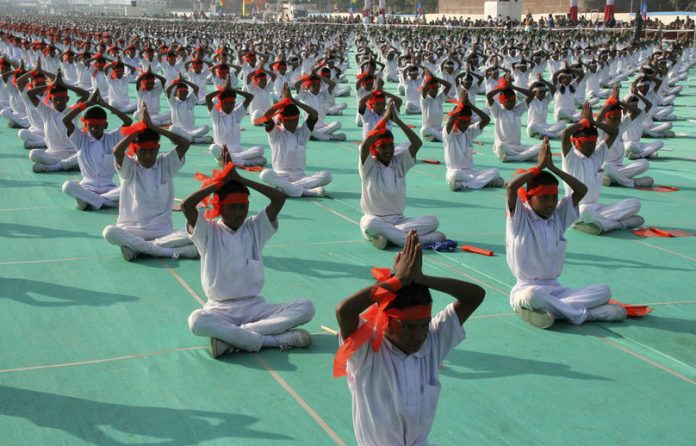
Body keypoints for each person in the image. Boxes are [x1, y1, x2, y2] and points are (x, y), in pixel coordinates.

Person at [334, 230, 485, 446]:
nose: (419, 335)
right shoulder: (366, 351)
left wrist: (422, 279)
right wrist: (398, 281)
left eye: (424, 324)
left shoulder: (433, 342)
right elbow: (344, 311)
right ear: (386, 320)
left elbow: (475, 296)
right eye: (408, 327)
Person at [182, 162, 315, 358]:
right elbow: (186, 206)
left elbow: (279, 198)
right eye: (232, 207)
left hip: (255, 308)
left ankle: (233, 338)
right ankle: (273, 340)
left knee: (306, 307)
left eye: (243, 207)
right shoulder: (208, 232)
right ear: (219, 207)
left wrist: (243, 180)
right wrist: (219, 184)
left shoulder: (254, 227)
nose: (239, 213)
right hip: (219, 310)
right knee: (196, 320)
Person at [506, 138, 627, 328]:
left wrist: (553, 168)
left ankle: (552, 312)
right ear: (529, 198)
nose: (551, 203)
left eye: (554, 197)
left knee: (604, 291)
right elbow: (512, 187)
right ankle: (587, 315)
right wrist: (538, 167)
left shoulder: (558, 216)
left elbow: (581, 190)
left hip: (556, 290)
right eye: (544, 198)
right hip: (525, 289)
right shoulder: (521, 219)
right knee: (532, 296)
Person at [102, 105, 199, 261]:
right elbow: (117, 151)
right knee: (109, 232)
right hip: (131, 230)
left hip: (163, 231)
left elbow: (184, 144)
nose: (148, 156)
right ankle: (165, 251)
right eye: (143, 151)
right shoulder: (129, 167)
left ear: (158, 148)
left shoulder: (165, 164)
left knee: (198, 230)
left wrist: (154, 128)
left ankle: (138, 249)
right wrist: (137, 129)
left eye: (152, 151)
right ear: (135, 150)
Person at [359, 102, 447, 250]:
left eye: (391, 145)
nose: (388, 150)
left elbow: (417, 143)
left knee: (433, 221)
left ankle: (389, 237)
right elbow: (365, 145)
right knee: (369, 224)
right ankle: (420, 241)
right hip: (375, 219)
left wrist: (397, 121)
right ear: (374, 149)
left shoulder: (398, 162)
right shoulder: (369, 166)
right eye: (383, 147)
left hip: (400, 220)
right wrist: (384, 120)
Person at [561, 103, 644, 235]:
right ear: (575, 142)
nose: (591, 146)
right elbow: (565, 134)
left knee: (635, 203)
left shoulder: (597, 155)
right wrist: (583, 122)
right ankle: (618, 224)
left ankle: (600, 224)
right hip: (577, 209)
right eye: (587, 143)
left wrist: (593, 122)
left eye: (593, 142)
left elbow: (614, 132)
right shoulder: (571, 158)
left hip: (597, 208)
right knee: (584, 211)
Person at [61, 89, 132, 210]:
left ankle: (93, 201)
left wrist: (106, 105)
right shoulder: (81, 139)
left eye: (98, 125)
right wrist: (87, 104)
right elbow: (66, 120)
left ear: (105, 125)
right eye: (91, 126)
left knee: (129, 186)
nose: (94, 129)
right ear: (86, 125)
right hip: (86, 187)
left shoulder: (113, 137)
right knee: (67, 186)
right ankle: (105, 203)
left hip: (110, 189)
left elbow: (128, 121)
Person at [257, 84, 331, 198]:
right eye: (289, 121)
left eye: (295, 120)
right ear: (282, 120)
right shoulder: (276, 133)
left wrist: (294, 101)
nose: (293, 124)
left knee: (327, 176)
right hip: (280, 176)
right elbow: (265, 117)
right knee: (264, 174)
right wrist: (282, 102)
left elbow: (314, 115)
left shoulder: (302, 132)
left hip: (301, 177)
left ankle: (287, 189)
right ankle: (306, 192)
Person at [443, 89, 503, 191]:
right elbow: (450, 121)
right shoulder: (449, 132)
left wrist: (470, 105)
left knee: (496, 171)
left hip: (471, 172)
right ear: (457, 120)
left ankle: (464, 184)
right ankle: (482, 182)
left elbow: (486, 120)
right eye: (462, 121)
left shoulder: (470, 131)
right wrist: (460, 105)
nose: (465, 124)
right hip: (455, 171)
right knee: (455, 174)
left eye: (467, 121)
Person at [205, 75, 265, 166]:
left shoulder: (237, 113)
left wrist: (233, 90)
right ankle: (243, 162)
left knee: (260, 149)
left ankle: (230, 160)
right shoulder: (216, 115)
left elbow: (250, 97)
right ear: (221, 103)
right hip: (222, 151)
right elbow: (207, 98)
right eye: (227, 103)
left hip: (239, 152)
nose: (230, 105)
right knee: (213, 148)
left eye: (232, 103)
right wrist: (223, 90)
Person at [487, 74, 541, 162]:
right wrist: (503, 88)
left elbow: (531, 95)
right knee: (500, 146)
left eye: (513, 101)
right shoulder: (498, 111)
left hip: (517, 146)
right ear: (502, 101)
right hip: (504, 147)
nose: (512, 103)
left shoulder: (518, 110)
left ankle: (514, 157)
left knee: (540, 147)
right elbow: (489, 96)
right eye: (508, 101)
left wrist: (513, 87)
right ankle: (526, 156)